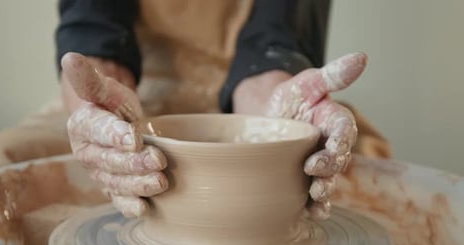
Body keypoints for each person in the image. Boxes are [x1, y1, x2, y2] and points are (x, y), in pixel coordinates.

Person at [56, 0, 368, 220]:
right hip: (131, 100)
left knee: (356, 187)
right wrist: (98, 106)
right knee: (17, 165)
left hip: (265, 96)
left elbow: (279, 32)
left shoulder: (270, 102)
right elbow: (92, 26)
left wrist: (274, 122)